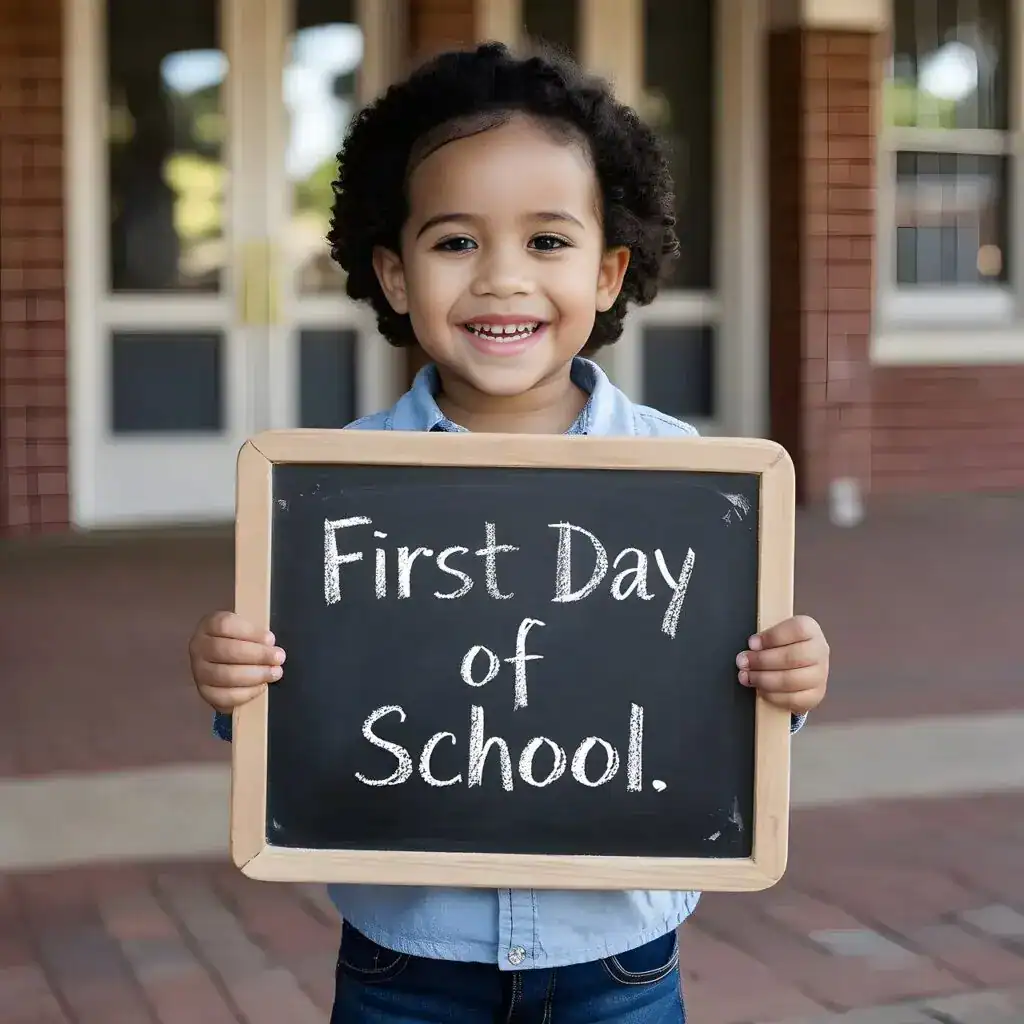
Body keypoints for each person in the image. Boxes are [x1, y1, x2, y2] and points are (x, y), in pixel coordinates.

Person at [188, 42, 830, 1023]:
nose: (500, 279)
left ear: (610, 271)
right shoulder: (331, 489)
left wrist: (790, 682)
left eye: (546, 241)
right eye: (454, 243)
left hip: (617, 961)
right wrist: (235, 684)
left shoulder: (690, 482)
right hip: (407, 963)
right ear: (394, 276)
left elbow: (715, 708)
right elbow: (302, 712)